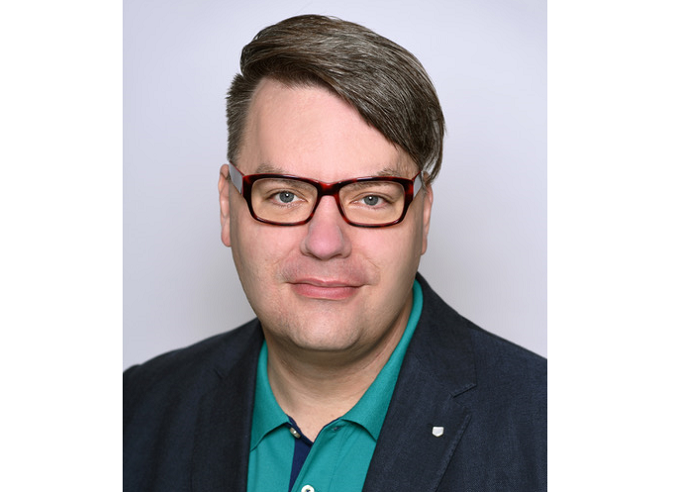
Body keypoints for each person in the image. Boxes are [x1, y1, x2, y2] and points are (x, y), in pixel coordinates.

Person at [124, 14, 546, 492]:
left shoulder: (546, 431)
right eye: (285, 195)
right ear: (228, 206)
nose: (325, 244)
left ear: (423, 216)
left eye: (372, 198)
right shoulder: (134, 412)